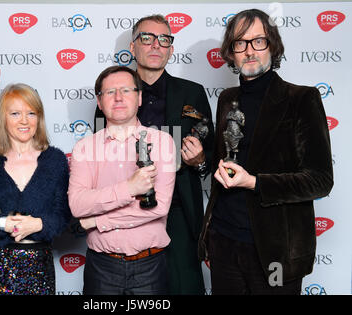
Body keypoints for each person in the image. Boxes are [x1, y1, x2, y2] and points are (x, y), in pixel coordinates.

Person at [198, 8, 334, 295]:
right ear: (231, 52)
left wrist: (255, 182)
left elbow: (320, 179)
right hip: (223, 243)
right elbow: (226, 163)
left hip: (275, 251)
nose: (249, 51)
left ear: (272, 45)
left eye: (258, 41)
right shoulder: (227, 99)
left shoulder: (302, 99)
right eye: (240, 43)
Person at [95, 14, 214, 295]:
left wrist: (200, 161)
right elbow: (100, 149)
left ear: (171, 48)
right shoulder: (114, 91)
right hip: (124, 210)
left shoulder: (192, 93)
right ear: (133, 47)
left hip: (179, 213)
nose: (155, 45)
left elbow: (210, 155)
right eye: (146, 38)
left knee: (184, 288)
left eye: (164, 39)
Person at [69, 66, 176, 295]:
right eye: (110, 92)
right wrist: (129, 188)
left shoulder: (162, 142)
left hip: (150, 267)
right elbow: (78, 205)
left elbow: (158, 208)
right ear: (99, 101)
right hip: (101, 269)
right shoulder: (84, 148)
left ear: (139, 98)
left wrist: (97, 221)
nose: (118, 97)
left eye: (126, 90)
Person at [0, 83, 71, 295]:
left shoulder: (54, 160)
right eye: (15, 113)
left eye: (31, 113)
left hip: (39, 267)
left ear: (39, 118)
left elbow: (65, 215)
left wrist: (39, 224)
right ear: (3, 118)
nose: (24, 121)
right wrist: (3, 223)